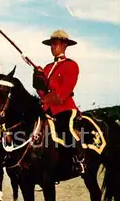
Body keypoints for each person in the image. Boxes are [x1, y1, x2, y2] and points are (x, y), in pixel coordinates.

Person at [33, 29, 84, 174]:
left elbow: (64, 92)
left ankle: (79, 160)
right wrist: (38, 78)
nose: (52, 47)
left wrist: (47, 87)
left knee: (66, 129)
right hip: (47, 109)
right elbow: (42, 92)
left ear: (64, 46)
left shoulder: (71, 65)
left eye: (55, 44)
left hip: (64, 108)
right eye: (51, 45)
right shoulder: (48, 67)